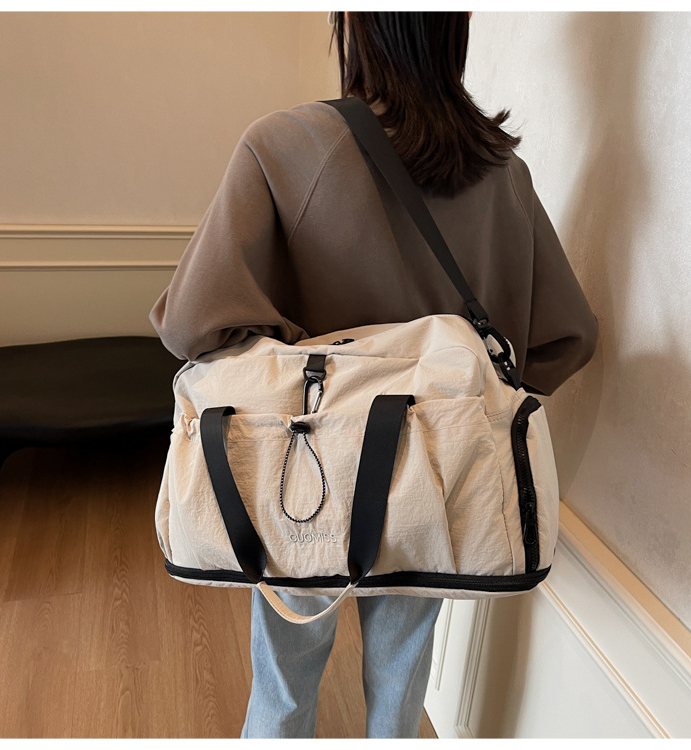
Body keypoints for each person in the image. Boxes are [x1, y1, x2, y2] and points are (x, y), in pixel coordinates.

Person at [150, 11, 598, 739]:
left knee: (285, 685)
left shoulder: (284, 144)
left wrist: (308, 363)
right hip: (436, 468)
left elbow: (190, 324)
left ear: (356, 24)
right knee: (401, 689)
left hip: (303, 468)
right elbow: (565, 338)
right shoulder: (501, 173)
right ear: (454, 27)